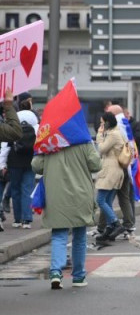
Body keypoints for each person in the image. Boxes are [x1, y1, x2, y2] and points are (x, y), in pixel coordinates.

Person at [31, 128, 101, 289]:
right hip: (81, 194)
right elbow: (96, 164)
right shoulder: (83, 140)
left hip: (56, 194)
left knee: (59, 235)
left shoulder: (48, 141)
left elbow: (36, 166)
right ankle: (78, 276)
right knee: (79, 236)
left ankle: (55, 272)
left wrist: (39, 147)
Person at [1, 93, 38, 229]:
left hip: (14, 159)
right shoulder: (35, 119)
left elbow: (6, 145)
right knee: (27, 189)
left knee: (15, 189)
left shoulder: (14, 118)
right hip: (30, 160)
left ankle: (17, 219)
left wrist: (2, 164)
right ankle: (27, 219)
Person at [94, 113, 128, 242]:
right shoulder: (116, 132)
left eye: (102, 123)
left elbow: (101, 149)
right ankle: (109, 228)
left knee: (100, 200)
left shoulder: (113, 134)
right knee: (107, 201)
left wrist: (99, 134)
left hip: (110, 170)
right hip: (115, 170)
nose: (101, 125)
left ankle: (115, 223)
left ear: (108, 122)